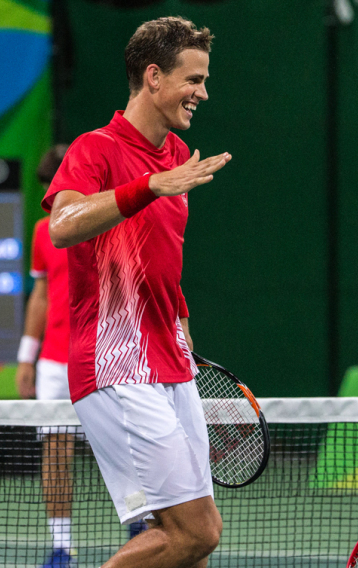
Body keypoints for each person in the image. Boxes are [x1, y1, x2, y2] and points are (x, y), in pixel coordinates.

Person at [42, 17, 231, 568]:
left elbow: (161, 263)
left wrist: (182, 328)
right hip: (116, 365)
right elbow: (63, 224)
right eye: (192, 79)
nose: (203, 93)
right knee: (196, 531)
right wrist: (146, 186)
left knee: (186, 543)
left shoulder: (178, 158)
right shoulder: (95, 148)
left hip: (171, 361)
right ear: (153, 77)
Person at [18, 145, 148, 568]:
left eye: (53, 191)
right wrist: (26, 357)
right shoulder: (43, 233)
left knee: (123, 443)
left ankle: (138, 527)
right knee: (56, 449)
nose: (50, 202)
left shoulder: (115, 225)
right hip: (55, 360)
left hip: (108, 354)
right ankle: (60, 546)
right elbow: (40, 295)